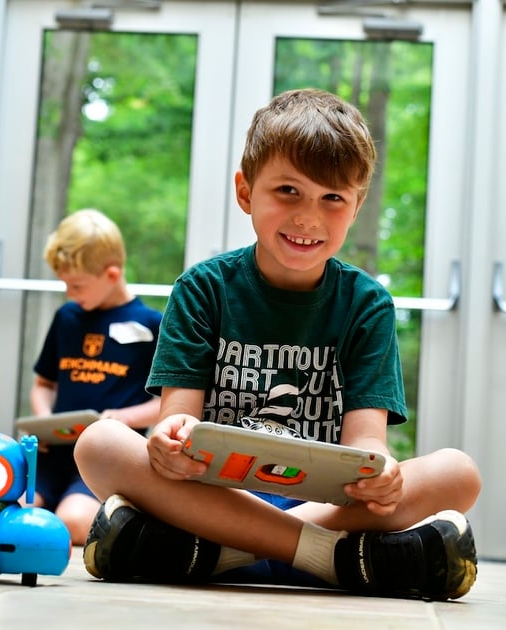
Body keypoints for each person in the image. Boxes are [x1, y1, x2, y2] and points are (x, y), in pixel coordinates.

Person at [74, 88, 482, 599]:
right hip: (213, 496)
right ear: (246, 192)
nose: (308, 218)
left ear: (355, 207)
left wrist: (381, 473)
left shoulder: (367, 303)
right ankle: (329, 559)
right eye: (288, 190)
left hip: (317, 503)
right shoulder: (202, 288)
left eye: (332, 198)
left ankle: (223, 556)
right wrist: (169, 439)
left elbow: (366, 441)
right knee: (99, 443)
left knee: (458, 474)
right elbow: (176, 419)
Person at [30, 209, 162, 546]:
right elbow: (43, 384)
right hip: (52, 454)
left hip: (106, 462)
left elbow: (166, 403)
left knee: (72, 523)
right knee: (11, 508)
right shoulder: (67, 317)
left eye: (76, 286)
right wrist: (43, 421)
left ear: (112, 274)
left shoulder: (151, 325)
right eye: (64, 284)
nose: (69, 294)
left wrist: (125, 417)